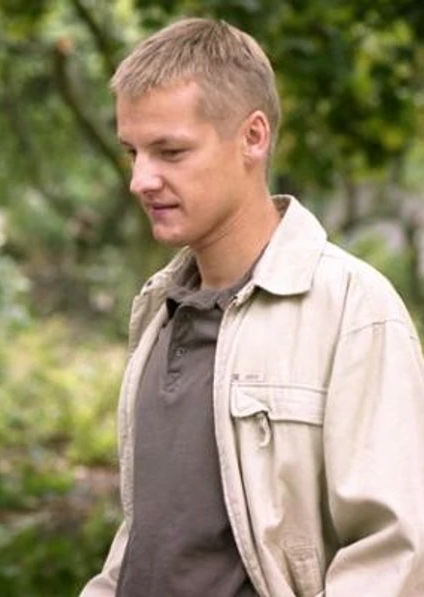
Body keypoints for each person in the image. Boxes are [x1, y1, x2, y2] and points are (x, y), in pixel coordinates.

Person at [81, 17, 424, 597]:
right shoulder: (160, 309)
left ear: (253, 137)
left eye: (170, 151)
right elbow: (153, 535)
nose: (140, 179)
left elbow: (393, 558)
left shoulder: (352, 309)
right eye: (133, 152)